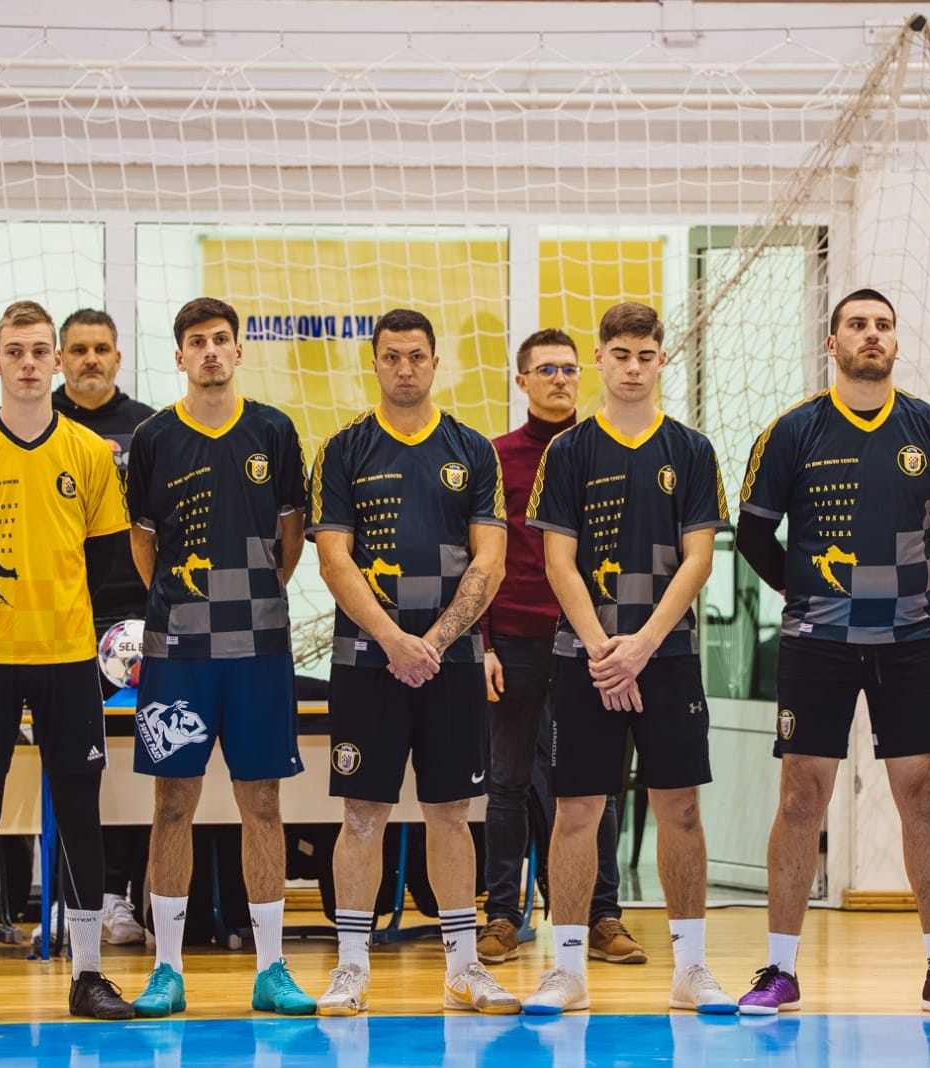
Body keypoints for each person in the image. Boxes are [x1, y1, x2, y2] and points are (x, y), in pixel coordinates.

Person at [733, 288, 930, 1017]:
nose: (871, 335)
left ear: (896, 342)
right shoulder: (792, 431)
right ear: (833, 343)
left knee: (925, 798)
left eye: (883, 325)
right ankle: (779, 971)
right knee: (801, 798)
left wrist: (901, 589)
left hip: (909, 642)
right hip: (816, 642)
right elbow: (754, 535)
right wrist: (809, 589)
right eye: (857, 325)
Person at [0, 300, 133, 1024]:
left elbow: (106, 554)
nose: (30, 363)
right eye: (16, 351)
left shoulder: (89, 453)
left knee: (80, 815)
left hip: (69, 657)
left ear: (56, 361)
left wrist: (59, 608)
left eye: (41, 350)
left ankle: (89, 976)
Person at [521, 302, 734, 1015]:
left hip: (666, 656)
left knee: (681, 808)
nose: (633, 368)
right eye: (620, 354)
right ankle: (568, 970)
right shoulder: (568, 451)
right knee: (577, 809)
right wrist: (602, 649)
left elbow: (699, 559)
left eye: (646, 355)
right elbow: (558, 562)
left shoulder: (692, 450)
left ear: (661, 360)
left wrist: (641, 646)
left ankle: (691, 968)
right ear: (601, 360)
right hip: (586, 658)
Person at [308, 308, 519, 1016]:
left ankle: (463, 969)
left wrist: (438, 640)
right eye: (392, 356)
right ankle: (351, 968)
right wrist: (395, 640)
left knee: (450, 812)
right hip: (367, 661)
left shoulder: (472, 450)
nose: (405, 368)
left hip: (451, 663)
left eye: (417, 356)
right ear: (374, 363)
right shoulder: (343, 450)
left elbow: (490, 559)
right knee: (362, 814)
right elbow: (333, 560)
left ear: (435, 361)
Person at [123, 298, 314, 1017]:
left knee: (261, 802)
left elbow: (291, 538)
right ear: (179, 356)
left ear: (238, 351)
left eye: (221, 340)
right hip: (178, 651)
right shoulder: (153, 437)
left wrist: (252, 599)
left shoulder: (274, 430)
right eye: (197, 341)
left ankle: (271, 969)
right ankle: (166, 970)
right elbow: (143, 543)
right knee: (172, 803)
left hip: (259, 648)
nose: (210, 351)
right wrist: (185, 608)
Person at [476, 328, 644, 967]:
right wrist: (483, 644)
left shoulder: (606, 449)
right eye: (545, 370)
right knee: (507, 785)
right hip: (514, 642)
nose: (560, 380)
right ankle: (501, 915)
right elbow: (477, 560)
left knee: (596, 785)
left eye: (569, 369)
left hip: (591, 644)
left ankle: (603, 916)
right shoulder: (495, 458)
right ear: (522, 381)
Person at [51, 307, 156, 946]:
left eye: (101, 349)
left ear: (117, 357)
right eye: (78, 349)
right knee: (73, 762)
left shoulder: (149, 427)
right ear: (59, 358)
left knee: (139, 759)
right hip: (62, 619)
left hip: (140, 619)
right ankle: (69, 895)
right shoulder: (38, 423)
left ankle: (117, 893)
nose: (90, 359)